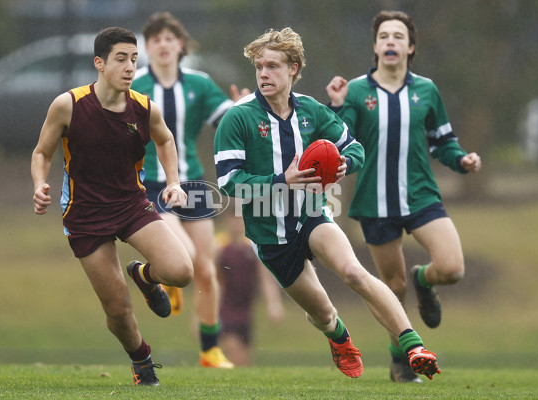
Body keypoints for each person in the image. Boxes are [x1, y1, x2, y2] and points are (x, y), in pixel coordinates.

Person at [214, 27, 441, 381]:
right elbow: (229, 183)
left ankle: (413, 346)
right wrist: (281, 181)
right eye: (259, 66)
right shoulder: (238, 117)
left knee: (353, 271)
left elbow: (354, 148)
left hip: (312, 215)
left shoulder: (311, 111)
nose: (263, 74)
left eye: (272, 66)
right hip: (269, 235)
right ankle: (338, 336)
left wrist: (341, 165)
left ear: (294, 68)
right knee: (321, 313)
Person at [31, 27, 194, 386]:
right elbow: (42, 152)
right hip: (85, 214)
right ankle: (142, 361)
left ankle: (144, 275)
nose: (130, 66)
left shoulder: (142, 107)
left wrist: (173, 183)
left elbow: (165, 140)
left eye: (135, 59)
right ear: (100, 63)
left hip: (131, 204)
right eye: (121, 59)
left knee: (182, 270)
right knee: (118, 310)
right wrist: (39, 183)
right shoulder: (68, 104)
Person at [326, 10, 481, 383]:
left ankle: (424, 281)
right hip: (374, 203)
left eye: (398, 36)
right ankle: (400, 359)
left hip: (421, 196)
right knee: (392, 288)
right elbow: (337, 141)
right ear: (375, 46)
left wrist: (461, 159)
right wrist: (336, 104)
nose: (390, 41)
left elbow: (443, 141)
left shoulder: (426, 90)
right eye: (384, 36)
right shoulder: (357, 91)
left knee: (452, 269)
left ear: (410, 47)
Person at [131, 12, 248, 369]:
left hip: (193, 183)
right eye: (155, 40)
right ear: (147, 48)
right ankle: (162, 276)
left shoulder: (199, 83)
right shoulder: (134, 85)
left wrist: (243, 106)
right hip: (152, 183)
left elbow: (227, 119)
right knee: (182, 252)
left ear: (180, 45)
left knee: (208, 270)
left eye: (169, 38)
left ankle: (210, 351)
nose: (163, 45)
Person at [216, 211, 285, 366]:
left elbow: (265, 279)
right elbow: (210, 282)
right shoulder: (219, 247)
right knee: (235, 353)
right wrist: (201, 316)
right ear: (225, 221)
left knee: (245, 361)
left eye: (240, 218)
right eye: (232, 218)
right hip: (225, 310)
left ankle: (235, 387)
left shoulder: (253, 247)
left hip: (247, 312)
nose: (236, 223)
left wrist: (274, 304)